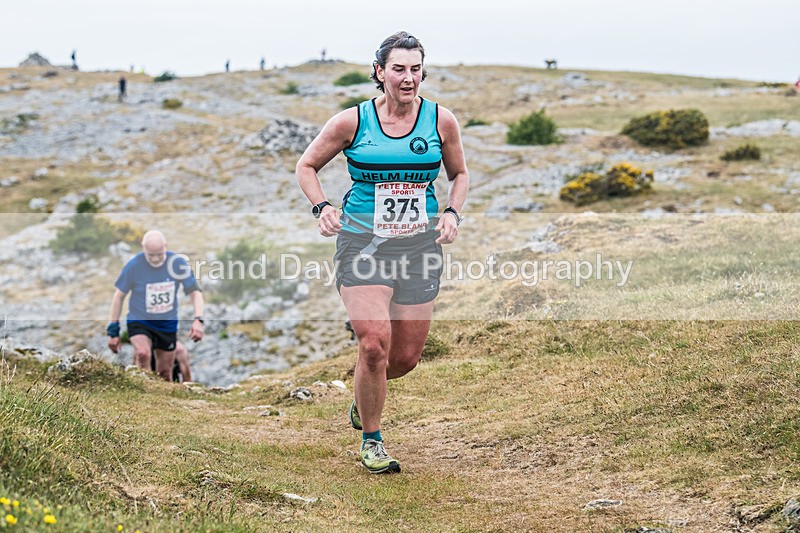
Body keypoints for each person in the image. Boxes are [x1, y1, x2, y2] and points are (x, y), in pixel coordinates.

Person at [296, 31, 469, 474]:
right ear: (380, 72)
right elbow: (307, 165)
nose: (408, 78)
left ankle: (363, 396)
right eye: (398, 69)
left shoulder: (440, 120)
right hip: (362, 242)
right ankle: (372, 439)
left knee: (404, 359)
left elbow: (460, 174)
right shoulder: (351, 122)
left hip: (419, 246)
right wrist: (322, 206)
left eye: (415, 69)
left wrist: (451, 212)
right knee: (374, 344)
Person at [107, 230, 205, 382]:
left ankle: (163, 402)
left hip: (166, 324)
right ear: (143, 249)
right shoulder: (134, 266)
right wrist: (113, 330)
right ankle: (143, 396)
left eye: (159, 254)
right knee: (143, 353)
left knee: (165, 373)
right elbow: (119, 296)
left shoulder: (177, 263)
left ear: (165, 246)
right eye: (150, 255)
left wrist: (198, 319)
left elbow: (195, 293)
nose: (155, 259)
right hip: (140, 320)